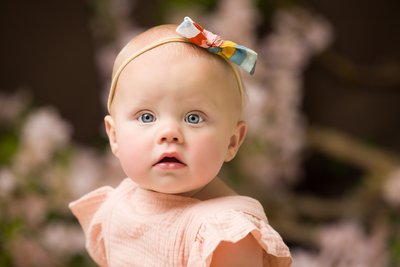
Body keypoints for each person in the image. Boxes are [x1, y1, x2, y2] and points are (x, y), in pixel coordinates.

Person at [69, 17, 292, 267]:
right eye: (146, 117)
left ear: (232, 141)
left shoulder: (224, 233)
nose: (169, 133)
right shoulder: (118, 206)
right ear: (114, 136)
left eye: (194, 118)